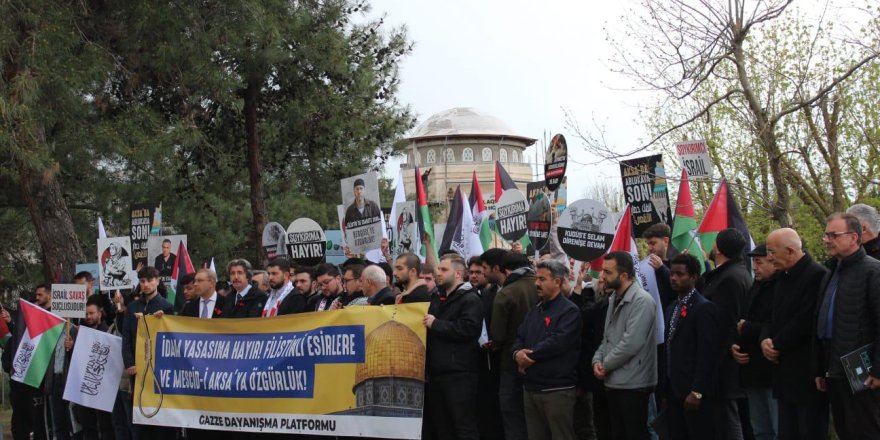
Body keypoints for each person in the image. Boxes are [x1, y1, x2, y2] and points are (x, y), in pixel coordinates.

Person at [756, 228, 828, 440]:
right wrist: (764, 340)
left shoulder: (817, 275)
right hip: (783, 373)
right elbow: (771, 316)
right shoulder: (781, 278)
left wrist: (776, 343)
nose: (769, 258)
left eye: (772, 252)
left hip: (805, 373)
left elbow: (805, 320)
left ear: (789, 251)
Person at [815, 213, 880, 439]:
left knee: (864, 430)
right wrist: (820, 368)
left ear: (854, 237)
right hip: (835, 370)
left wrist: (878, 370)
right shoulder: (831, 271)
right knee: (843, 430)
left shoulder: (873, 271)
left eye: (834, 235)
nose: (826, 240)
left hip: (863, 372)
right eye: (826, 234)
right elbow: (822, 323)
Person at [513, 260, 582, 440]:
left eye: (542, 279)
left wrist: (528, 356)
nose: (537, 283)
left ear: (557, 282)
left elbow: (558, 342)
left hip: (557, 390)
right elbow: (519, 336)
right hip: (531, 388)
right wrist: (517, 354)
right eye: (537, 278)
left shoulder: (570, 311)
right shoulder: (535, 310)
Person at [592, 251, 657, 440]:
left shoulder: (642, 301)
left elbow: (631, 342)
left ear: (624, 276)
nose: (602, 276)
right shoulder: (613, 298)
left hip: (634, 384)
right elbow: (608, 337)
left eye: (607, 272)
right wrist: (596, 360)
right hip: (615, 381)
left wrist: (605, 364)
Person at [423, 253, 483, 440]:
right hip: (437, 373)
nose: (438, 273)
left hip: (460, 374)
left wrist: (437, 324)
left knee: (463, 426)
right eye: (438, 269)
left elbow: (469, 329)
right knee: (443, 427)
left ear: (458, 274)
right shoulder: (437, 297)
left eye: (443, 270)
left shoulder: (470, 299)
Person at [701, 228, 751, 440]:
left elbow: (725, 322)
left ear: (719, 249)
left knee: (728, 420)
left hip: (723, 365)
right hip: (724, 363)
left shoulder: (729, 278)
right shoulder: (734, 274)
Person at [664, 253, 720, 439]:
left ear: (694, 277)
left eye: (680, 274)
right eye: (672, 273)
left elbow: (707, 353)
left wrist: (697, 391)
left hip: (693, 391)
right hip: (673, 389)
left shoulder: (703, 308)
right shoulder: (672, 307)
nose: (673, 278)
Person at [731, 244, 779, 440]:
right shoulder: (754, 287)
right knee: (760, 430)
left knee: (777, 429)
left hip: (772, 373)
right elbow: (741, 321)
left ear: (773, 261)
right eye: (753, 262)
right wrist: (735, 345)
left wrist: (748, 329)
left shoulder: (780, 288)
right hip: (752, 370)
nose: (755, 268)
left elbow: (777, 325)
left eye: (759, 262)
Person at [121, 267, 174, 438]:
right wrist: (129, 362)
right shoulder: (132, 307)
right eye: (142, 281)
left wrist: (164, 319)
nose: (146, 285)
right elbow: (127, 337)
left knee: (161, 420)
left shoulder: (167, 306)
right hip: (138, 370)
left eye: (150, 280)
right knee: (140, 419)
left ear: (158, 281)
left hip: (159, 370)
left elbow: (173, 337)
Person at [489, 251, 537, 440]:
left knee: (513, 415)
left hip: (511, 362)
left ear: (506, 272)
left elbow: (497, 335)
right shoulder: (542, 286)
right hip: (543, 361)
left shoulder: (506, 294)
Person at [64, 296, 114, 440]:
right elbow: (76, 362)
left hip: (103, 388)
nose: (88, 316)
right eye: (86, 314)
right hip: (85, 388)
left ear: (100, 313)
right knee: (87, 425)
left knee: (106, 426)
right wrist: (70, 349)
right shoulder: (79, 333)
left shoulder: (108, 332)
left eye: (91, 313)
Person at [643, 223, 675, 310]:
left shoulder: (676, 264)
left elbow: (679, 287)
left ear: (665, 241)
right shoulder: (645, 267)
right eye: (648, 244)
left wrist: (661, 269)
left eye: (653, 243)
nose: (649, 248)